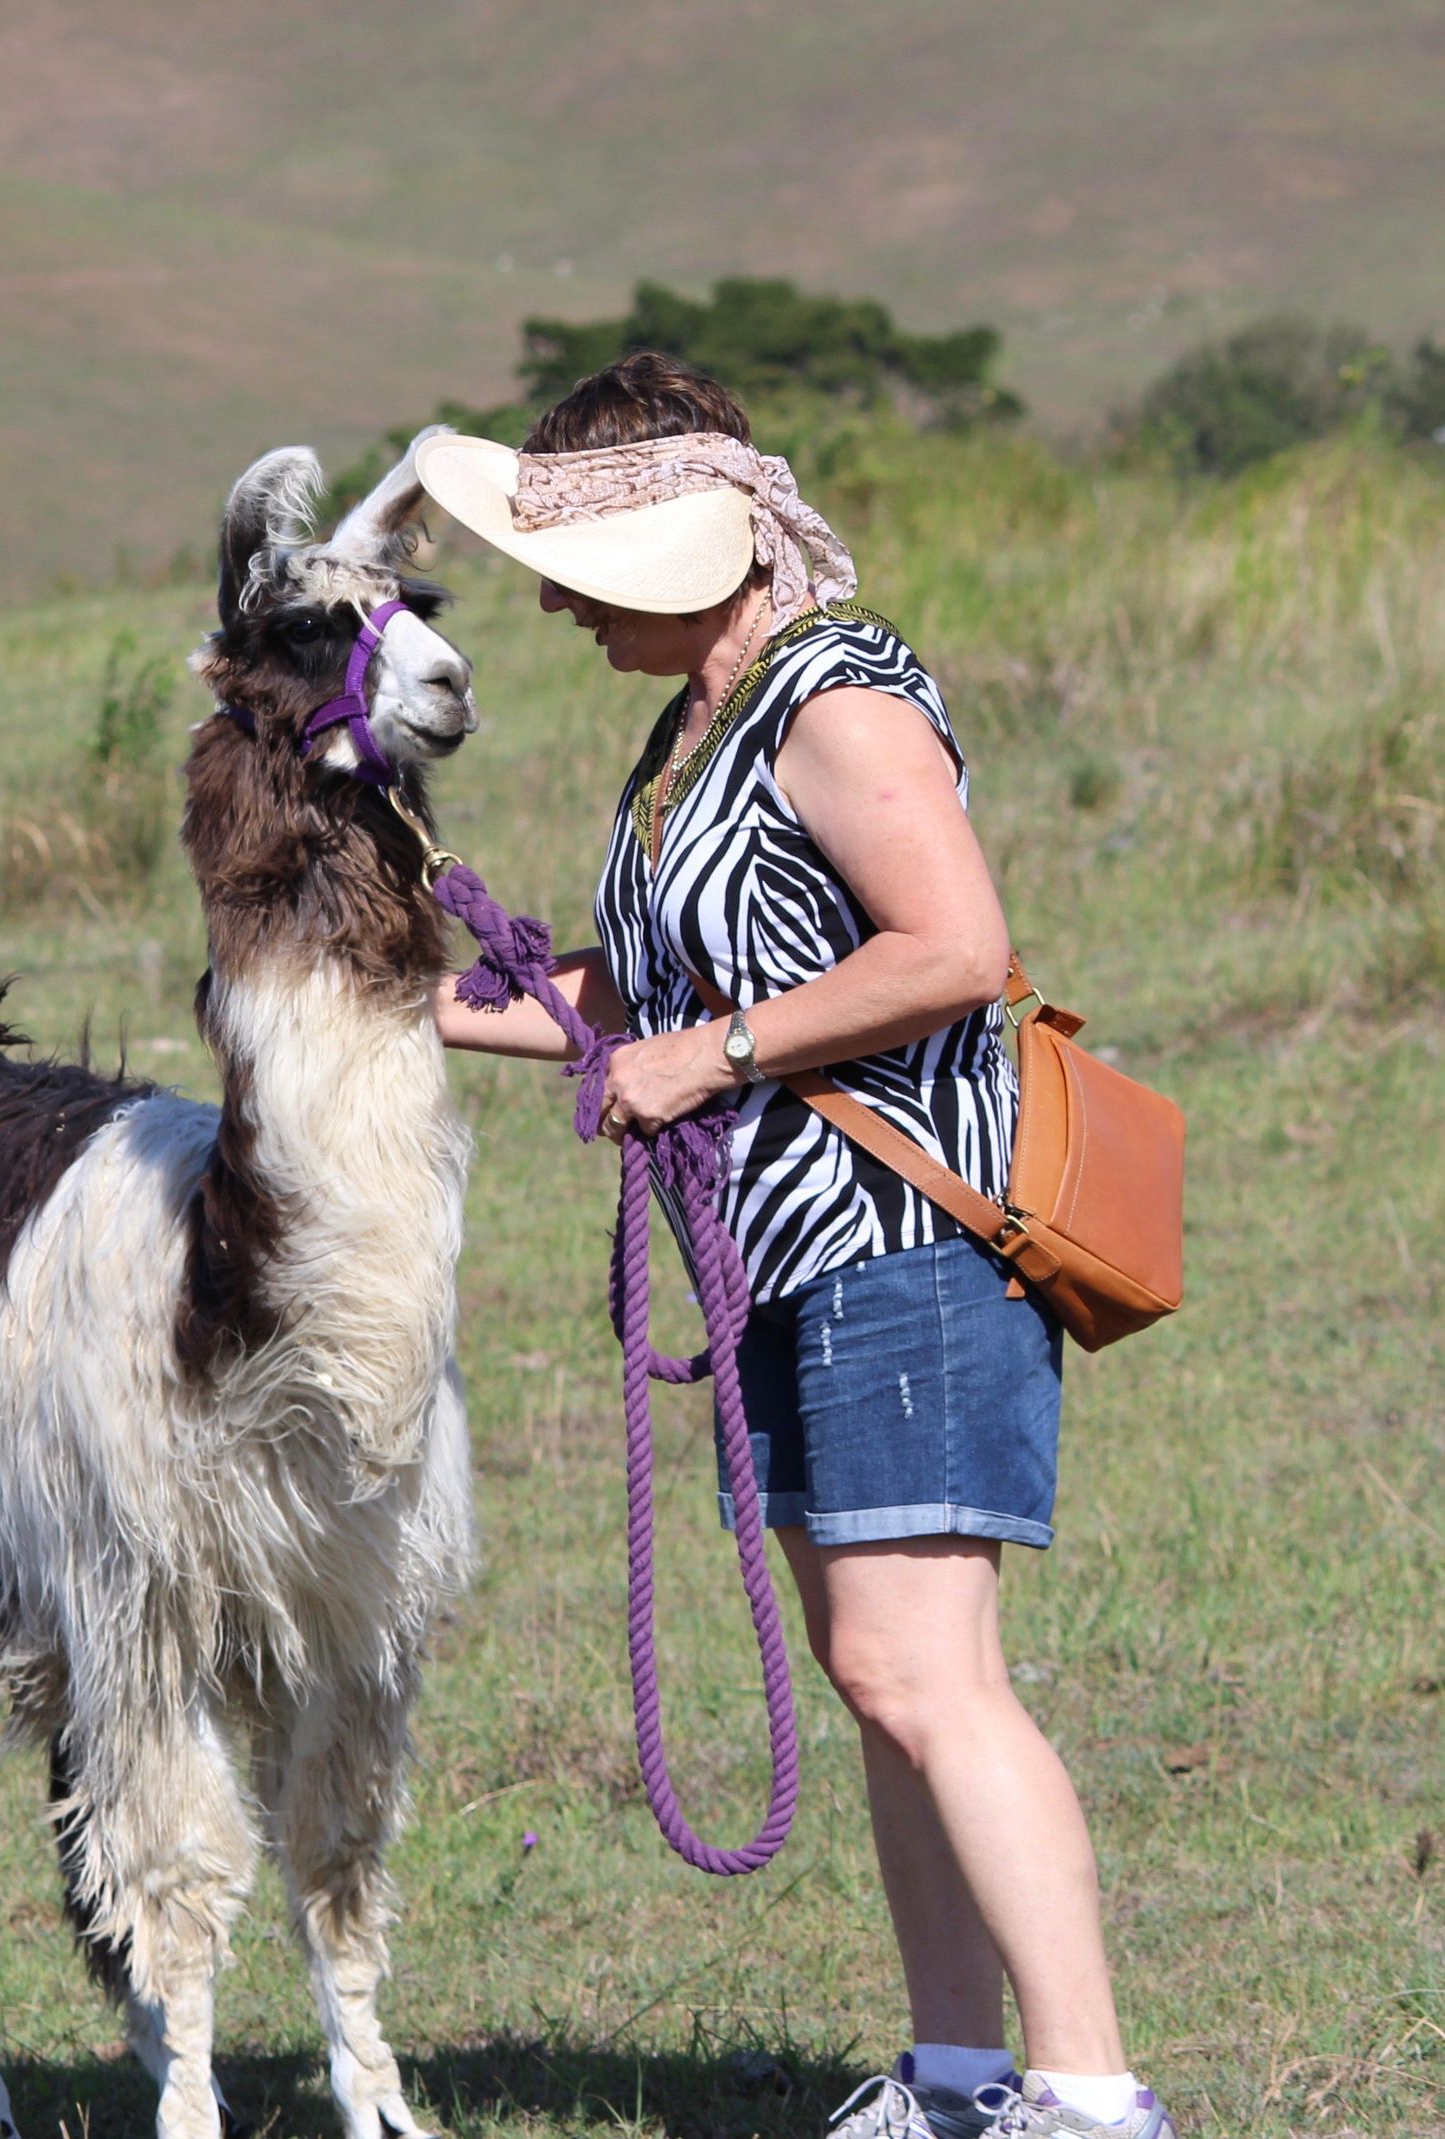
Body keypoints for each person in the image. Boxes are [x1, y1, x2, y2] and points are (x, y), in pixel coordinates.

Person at [414, 353, 1174, 2139]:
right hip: (797, 1259)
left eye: (575, 569)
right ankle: (962, 2075)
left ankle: (1088, 2091)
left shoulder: (835, 700)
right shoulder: (702, 726)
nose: (547, 603)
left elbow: (955, 948)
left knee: (932, 1675)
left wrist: (718, 1056)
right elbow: (641, 984)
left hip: (907, 1245)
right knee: (874, 1679)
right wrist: (403, 1007)